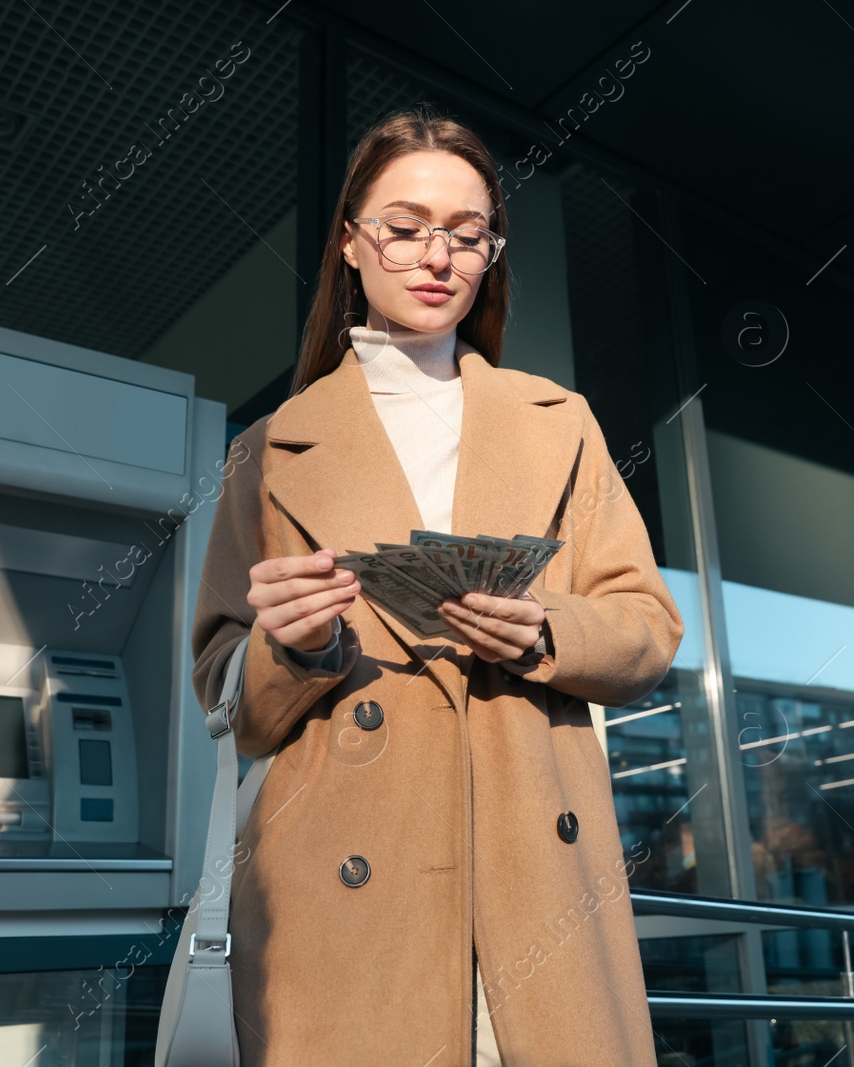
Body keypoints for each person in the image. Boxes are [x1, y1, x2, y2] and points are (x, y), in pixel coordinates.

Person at [190, 103, 684, 1066]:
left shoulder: (560, 421)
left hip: (534, 877)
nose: (437, 256)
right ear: (350, 243)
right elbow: (225, 694)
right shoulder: (272, 448)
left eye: (467, 234)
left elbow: (648, 628)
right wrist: (290, 650)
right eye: (405, 227)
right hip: (342, 897)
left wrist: (545, 632)